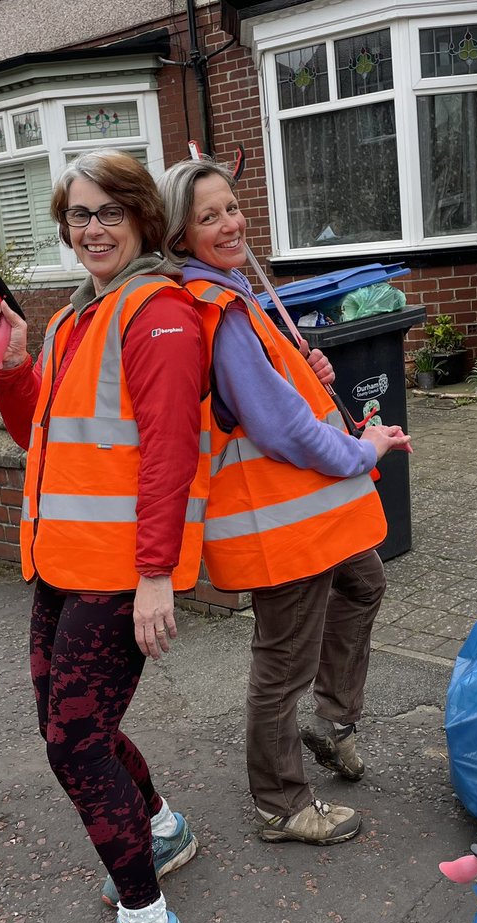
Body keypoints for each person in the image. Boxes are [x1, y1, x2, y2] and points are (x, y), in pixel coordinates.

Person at [0, 151, 210, 923]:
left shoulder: (158, 315)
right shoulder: (83, 317)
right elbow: (35, 434)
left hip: (116, 575)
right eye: (77, 215)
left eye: (109, 211)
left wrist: (155, 576)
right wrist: (14, 361)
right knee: (72, 728)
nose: (92, 228)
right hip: (62, 564)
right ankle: (161, 829)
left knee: (75, 742)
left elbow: (170, 456)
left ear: (144, 218)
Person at [157, 157, 412, 848]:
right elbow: (281, 429)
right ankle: (279, 801)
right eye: (207, 217)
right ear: (180, 237)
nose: (229, 223)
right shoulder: (217, 310)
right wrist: (366, 452)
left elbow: (274, 396)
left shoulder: (234, 294)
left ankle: (330, 722)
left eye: (231, 207)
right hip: (279, 523)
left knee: (363, 582)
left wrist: (306, 368)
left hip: (311, 514)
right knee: (281, 664)